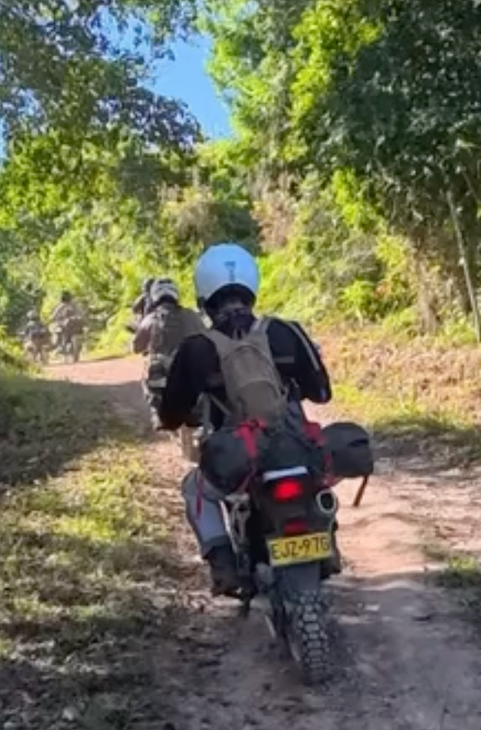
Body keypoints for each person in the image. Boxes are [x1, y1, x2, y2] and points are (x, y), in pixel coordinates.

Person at [155, 244, 331, 594]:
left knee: (195, 489)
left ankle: (224, 568)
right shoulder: (288, 332)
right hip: (295, 447)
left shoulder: (196, 348)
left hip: (240, 458)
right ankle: (327, 541)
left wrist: (177, 416)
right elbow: (323, 393)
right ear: (252, 284)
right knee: (320, 481)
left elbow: (172, 415)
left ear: (204, 294)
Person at [131, 278, 205, 412]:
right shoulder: (190, 315)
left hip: (162, 372)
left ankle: (156, 412)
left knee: (146, 373)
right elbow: (207, 336)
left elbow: (136, 348)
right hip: (188, 369)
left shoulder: (150, 318)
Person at [50, 292, 86, 360]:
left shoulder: (69, 305)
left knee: (58, 332)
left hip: (72, 325)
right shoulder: (69, 305)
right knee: (58, 332)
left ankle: (62, 348)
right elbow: (54, 315)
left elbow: (81, 313)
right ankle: (61, 348)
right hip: (66, 325)